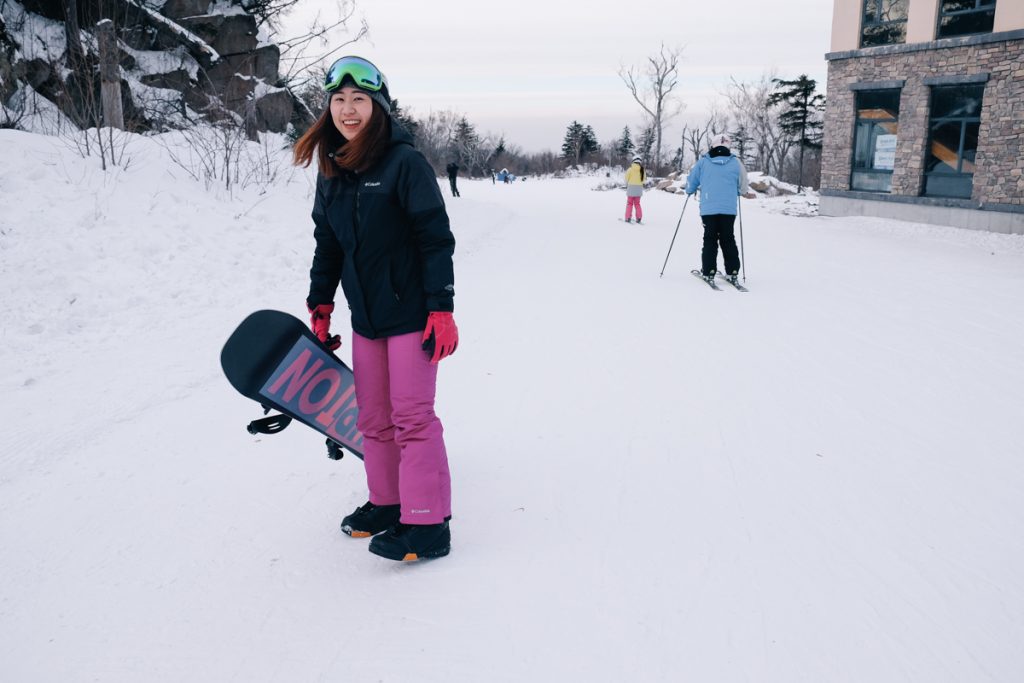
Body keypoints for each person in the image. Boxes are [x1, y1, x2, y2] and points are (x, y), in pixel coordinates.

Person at [292, 55, 458, 562]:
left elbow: (435, 239)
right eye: (339, 100)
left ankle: (429, 525)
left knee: (412, 417)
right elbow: (329, 242)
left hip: (411, 315)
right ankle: (388, 504)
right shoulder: (332, 170)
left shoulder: (405, 163)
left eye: (358, 99)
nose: (348, 109)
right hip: (366, 318)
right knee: (372, 418)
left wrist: (441, 308)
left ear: (377, 106)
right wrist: (321, 301)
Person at [684, 133, 756, 285]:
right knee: (728, 238)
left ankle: (709, 271)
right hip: (728, 209)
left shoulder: (703, 161)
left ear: (713, 145)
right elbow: (743, 181)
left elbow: (693, 178)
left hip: (708, 208)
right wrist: (742, 191)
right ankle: (733, 271)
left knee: (710, 239)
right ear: (728, 146)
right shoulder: (736, 162)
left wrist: (690, 190)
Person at [624, 155, 645, 224]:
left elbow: (626, 179)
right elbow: (644, 181)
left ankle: (628, 217)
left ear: (633, 161)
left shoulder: (630, 169)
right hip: (639, 189)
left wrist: (627, 185)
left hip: (631, 188)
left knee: (629, 203)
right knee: (637, 204)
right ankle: (639, 218)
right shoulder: (642, 170)